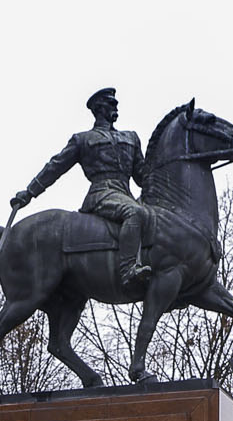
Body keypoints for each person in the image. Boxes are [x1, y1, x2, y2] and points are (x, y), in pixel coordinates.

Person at [11, 86, 151, 291]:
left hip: (125, 193)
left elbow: (142, 177)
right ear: (99, 108)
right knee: (135, 212)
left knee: (152, 216)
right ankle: (128, 269)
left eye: (116, 102)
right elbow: (55, 167)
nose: (116, 106)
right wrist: (30, 192)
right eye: (111, 103)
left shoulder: (130, 138)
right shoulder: (83, 139)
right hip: (102, 193)